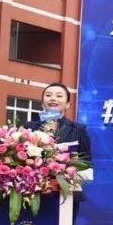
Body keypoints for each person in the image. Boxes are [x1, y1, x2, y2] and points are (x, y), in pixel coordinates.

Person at [26, 82, 91, 216]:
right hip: (32, 194)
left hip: (66, 195)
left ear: (67, 104)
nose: (53, 98)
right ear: (43, 103)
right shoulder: (29, 127)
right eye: (48, 95)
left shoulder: (78, 129)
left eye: (59, 96)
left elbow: (87, 164)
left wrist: (65, 175)